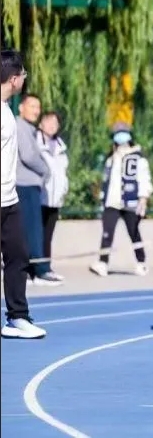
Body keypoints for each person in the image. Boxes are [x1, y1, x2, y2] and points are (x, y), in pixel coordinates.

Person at [0, 49, 46, 339]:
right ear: (14, 79)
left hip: (10, 200)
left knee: (18, 257)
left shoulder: (7, 109)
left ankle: (17, 318)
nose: (24, 79)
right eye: (23, 74)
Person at [90, 122, 153, 277]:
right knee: (107, 233)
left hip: (130, 201)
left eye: (123, 133)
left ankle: (141, 262)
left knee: (134, 232)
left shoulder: (138, 158)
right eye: (117, 134)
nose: (120, 136)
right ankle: (103, 263)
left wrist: (143, 198)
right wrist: (102, 199)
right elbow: (106, 181)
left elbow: (144, 179)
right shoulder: (111, 158)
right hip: (112, 202)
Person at [16, 94, 62, 285]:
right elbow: (28, 155)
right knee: (32, 230)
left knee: (30, 230)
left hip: (30, 185)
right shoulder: (19, 127)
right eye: (32, 106)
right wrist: (45, 170)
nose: (36, 111)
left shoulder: (29, 129)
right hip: (24, 185)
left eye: (38, 107)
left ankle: (28, 270)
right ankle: (38, 271)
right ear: (21, 107)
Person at [39, 111, 70, 278]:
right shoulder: (35, 143)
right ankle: (31, 269)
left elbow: (62, 173)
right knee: (34, 235)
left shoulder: (60, 147)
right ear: (40, 124)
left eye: (55, 123)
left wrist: (63, 191)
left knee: (47, 236)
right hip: (39, 197)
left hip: (55, 200)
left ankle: (45, 268)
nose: (52, 125)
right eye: (48, 121)